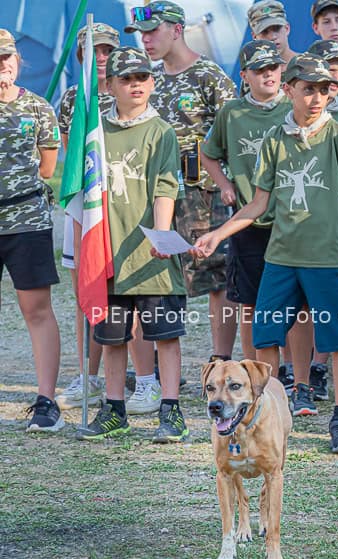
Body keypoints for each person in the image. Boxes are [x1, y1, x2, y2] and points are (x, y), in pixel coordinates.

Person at [193, 54, 338, 454]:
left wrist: (325, 214)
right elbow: (258, 204)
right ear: (289, 90)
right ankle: (267, 409)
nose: (317, 97)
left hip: (327, 257)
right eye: (308, 89)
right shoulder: (275, 138)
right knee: (266, 336)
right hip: (282, 256)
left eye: (324, 90)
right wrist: (219, 233)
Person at [76, 46, 187, 443]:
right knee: (112, 337)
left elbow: (165, 187)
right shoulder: (95, 134)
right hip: (108, 251)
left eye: (143, 77)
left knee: (165, 335)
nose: (136, 84)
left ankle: (171, 410)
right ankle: (115, 409)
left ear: (153, 82)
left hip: (150, 253)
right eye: (126, 78)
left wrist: (159, 235)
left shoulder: (161, 131)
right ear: (109, 85)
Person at [127, 1, 238, 369]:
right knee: (155, 277)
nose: (146, 39)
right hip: (157, 193)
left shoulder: (210, 76)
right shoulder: (149, 78)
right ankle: (157, 363)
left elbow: (233, 138)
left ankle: (219, 360)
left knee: (215, 277)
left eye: (153, 30)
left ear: (177, 30)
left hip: (203, 192)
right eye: (142, 33)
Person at [200, 41, 291, 366]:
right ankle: (255, 369)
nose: (268, 74)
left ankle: (296, 372)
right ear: (245, 76)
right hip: (247, 221)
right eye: (259, 70)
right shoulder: (233, 112)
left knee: (294, 301)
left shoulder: (294, 107)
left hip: (291, 221)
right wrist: (224, 185)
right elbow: (208, 154)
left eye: (273, 68)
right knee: (250, 301)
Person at [0, 29, 62, 433]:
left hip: (26, 222)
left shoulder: (39, 109)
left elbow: (47, 168)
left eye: (6, 59)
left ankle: (46, 400)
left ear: (17, 61)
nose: (1, 67)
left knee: (36, 310)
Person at [55, 22, 118, 411]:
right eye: (93, 51)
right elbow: (70, 158)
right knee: (87, 290)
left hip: (122, 201)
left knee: (125, 297)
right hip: (88, 205)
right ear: (80, 56)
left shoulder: (133, 87)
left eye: (107, 50)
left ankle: (135, 374)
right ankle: (88, 374)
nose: (100, 58)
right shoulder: (73, 99)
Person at [247, 1, 298, 65]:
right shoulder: (252, 73)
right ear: (255, 37)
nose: (273, 37)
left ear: (287, 28)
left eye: (277, 28)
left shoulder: (311, 65)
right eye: (264, 31)